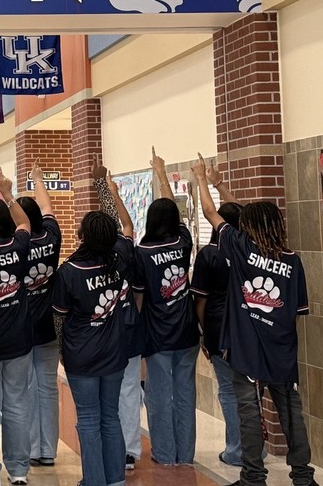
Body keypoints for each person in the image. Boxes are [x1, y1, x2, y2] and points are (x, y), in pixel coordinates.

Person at [192, 154, 316, 486]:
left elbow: (211, 214)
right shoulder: (293, 260)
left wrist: (203, 179)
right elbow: (298, 311)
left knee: (248, 411)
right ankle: (303, 476)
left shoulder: (242, 248)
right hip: (282, 348)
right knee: (291, 411)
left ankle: (253, 477)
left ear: (248, 229)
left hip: (245, 346)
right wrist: (219, 184)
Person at [52, 188, 135, 486]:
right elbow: (125, 227)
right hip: (115, 352)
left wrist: (63, 351)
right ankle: (115, 480)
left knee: (88, 420)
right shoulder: (121, 258)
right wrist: (105, 190)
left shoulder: (69, 271)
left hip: (82, 354)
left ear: (82, 235)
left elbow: (59, 317)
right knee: (110, 417)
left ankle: (94, 481)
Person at [133, 149, 199, 467]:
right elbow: (178, 211)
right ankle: (185, 455)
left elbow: (140, 298)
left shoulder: (143, 251)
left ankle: (165, 454)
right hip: (187, 330)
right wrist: (161, 174)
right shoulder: (183, 241)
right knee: (186, 396)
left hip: (158, 335)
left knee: (159, 397)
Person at [190, 160, 243, 468]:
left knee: (229, 390)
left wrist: (201, 179)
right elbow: (239, 214)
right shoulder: (254, 248)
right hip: (250, 329)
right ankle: (252, 448)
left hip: (219, 330)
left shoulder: (211, 254)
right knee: (248, 390)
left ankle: (236, 449)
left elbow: (200, 302)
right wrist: (220, 184)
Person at [92, 160, 145, 472]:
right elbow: (127, 225)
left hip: (101, 334)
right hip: (128, 330)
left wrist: (102, 189)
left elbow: (118, 226)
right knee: (128, 392)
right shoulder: (125, 250)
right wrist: (107, 189)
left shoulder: (86, 262)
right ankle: (129, 450)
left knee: (102, 395)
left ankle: (106, 445)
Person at [0, 169, 33, 486]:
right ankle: (18, 470)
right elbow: (25, 223)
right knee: (17, 405)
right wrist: (8, 194)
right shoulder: (18, 247)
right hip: (18, 340)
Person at [21, 161, 63, 469]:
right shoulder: (51, 237)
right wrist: (37, 178)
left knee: (25, 389)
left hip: (20, 328)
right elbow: (47, 205)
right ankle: (48, 449)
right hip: (50, 325)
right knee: (47, 388)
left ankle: (31, 449)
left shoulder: (13, 246)